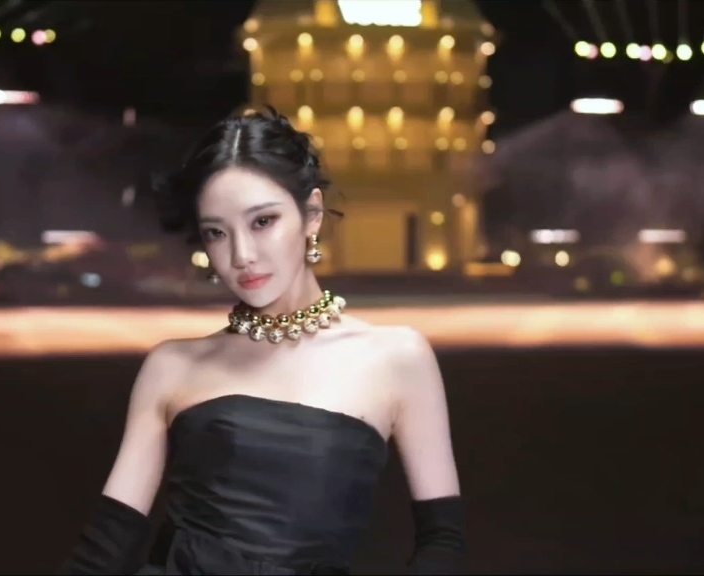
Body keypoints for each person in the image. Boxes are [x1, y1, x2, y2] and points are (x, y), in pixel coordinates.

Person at [62, 107, 464, 575]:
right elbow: (105, 551)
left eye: (262, 221)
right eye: (217, 232)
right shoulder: (171, 365)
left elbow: (442, 542)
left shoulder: (397, 357)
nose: (242, 255)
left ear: (311, 214)